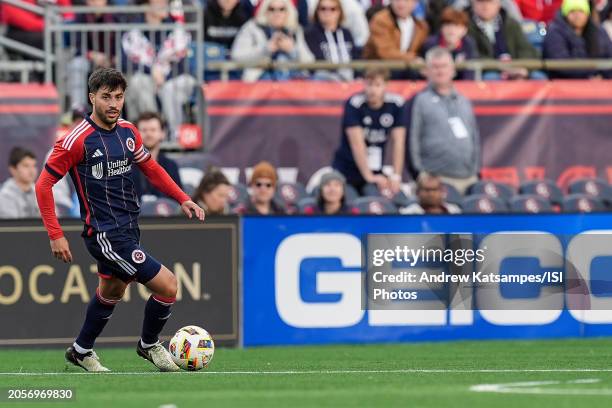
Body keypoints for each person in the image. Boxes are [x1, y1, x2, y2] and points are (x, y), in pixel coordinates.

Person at [35, 68, 205, 372]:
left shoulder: (128, 131)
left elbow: (150, 168)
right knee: (168, 286)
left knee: (112, 291)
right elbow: (43, 184)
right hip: (104, 234)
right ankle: (149, 345)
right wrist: (55, 234)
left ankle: (81, 350)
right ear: (92, 98)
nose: (114, 103)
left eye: (119, 96)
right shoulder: (76, 139)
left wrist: (183, 197)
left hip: (128, 227)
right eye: (106, 97)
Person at [406, 47, 479, 195]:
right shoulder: (418, 101)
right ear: (426, 71)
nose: (440, 71)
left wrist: (475, 171)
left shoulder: (464, 101)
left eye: (444, 66)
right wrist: (419, 173)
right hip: (435, 182)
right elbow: (411, 139)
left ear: (453, 70)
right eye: (435, 67)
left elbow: (474, 137)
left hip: (468, 179)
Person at [122, 0, 196, 138]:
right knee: (139, 81)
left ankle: (175, 136)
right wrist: (151, 72)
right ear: (146, 6)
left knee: (170, 88)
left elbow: (186, 61)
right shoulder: (133, 31)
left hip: (174, 77)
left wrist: (164, 77)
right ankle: (151, 133)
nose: (164, 4)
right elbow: (125, 62)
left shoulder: (177, 29)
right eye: (159, 1)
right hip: (147, 79)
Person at [332, 68, 405, 194]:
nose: (372, 90)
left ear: (386, 85)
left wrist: (396, 176)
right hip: (348, 168)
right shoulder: (355, 104)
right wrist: (368, 176)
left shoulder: (396, 104)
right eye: (369, 84)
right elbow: (357, 144)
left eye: (377, 85)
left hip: (375, 168)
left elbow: (399, 142)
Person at [231, 0, 314, 81]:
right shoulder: (252, 28)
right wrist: (265, 50)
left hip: (291, 81)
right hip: (261, 81)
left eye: (281, 9)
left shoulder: (296, 30)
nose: (276, 14)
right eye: (271, 9)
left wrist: (292, 50)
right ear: (265, 11)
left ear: (288, 11)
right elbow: (237, 57)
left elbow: (311, 63)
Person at [66, 0, 117, 111]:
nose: (96, 3)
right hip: (89, 59)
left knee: (124, 66)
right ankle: (78, 110)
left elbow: (122, 43)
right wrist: (92, 55)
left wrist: (112, 58)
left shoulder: (115, 16)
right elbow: (76, 45)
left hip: (112, 60)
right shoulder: (80, 17)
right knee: (77, 64)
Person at [467, 0, 539, 79]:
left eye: (490, 2)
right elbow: (472, 55)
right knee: (491, 77)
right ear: (473, 3)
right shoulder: (465, 26)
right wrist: (499, 66)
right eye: (481, 2)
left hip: (515, 67)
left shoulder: (511, 23)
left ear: (498, 4)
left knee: (538, 77)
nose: (486, 7)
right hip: (488, 71)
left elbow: (526, 50)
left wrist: (522, 68)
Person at [543, 0, 612, 78]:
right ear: (565, 14)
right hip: (565, 84)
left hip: (599, 82)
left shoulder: (599, 32)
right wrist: (592, 72)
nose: (577, 15)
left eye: (581, 11)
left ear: (587, 13)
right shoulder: (555, 32)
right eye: (572, 11)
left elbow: (609, 56)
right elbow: (560, 64)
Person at [362, 0, 429, 79]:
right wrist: (413, 59)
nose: (401, 4)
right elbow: (385, 52)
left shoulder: (421, 26)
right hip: (380, 69)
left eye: (406, 1)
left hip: (408, 69)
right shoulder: (380, 20)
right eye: (397, 0)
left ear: (415, 3)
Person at [131, 112, 183, 199]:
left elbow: (178, 201)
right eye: (144, 130)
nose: (148, 134)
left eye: (153, 130)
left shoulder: (171, 166)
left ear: (162, 134)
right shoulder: (125, 166)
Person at [305, 0, 359, 80]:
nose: (327, 12)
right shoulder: (311, 33)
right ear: (317, 11)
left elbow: (355, 57)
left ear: (339, 12)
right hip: (325, 80)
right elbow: (318, 60)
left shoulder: (346, 33)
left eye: (332, 9)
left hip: (350, 80)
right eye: (323, 9)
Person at [422, 7, 478, 80]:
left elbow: (470, 75)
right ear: (441, 28)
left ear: (464, 30)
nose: (452, 30)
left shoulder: (469, 44)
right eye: (448, 25)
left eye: (457, 26)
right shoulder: (430, 44)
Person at [0, 147, 40, 219]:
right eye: (26, 166)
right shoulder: (5, 195)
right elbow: (13, 227)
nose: (32, 171)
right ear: (13, 169)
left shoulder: (40, 192)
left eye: (34, 166)